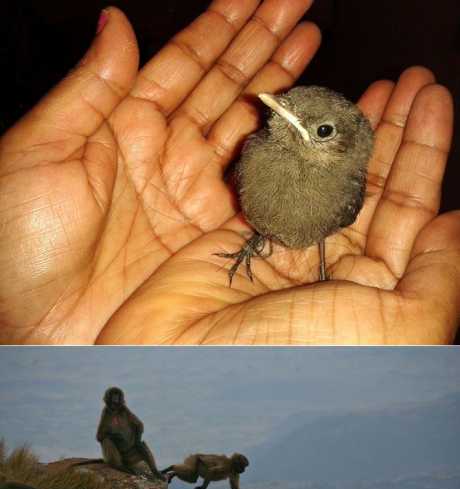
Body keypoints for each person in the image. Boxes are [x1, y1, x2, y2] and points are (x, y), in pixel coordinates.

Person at [0, 0, 459, 348]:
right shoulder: (256, 152)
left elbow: (334, 220)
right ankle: (255, 241)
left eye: (319, 130)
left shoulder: (343, 191)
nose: (282, 113)